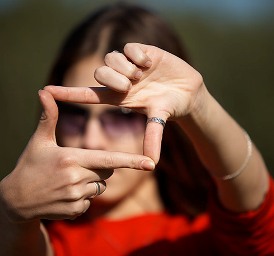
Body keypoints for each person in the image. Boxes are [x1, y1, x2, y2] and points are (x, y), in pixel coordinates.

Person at [1, 3, 274, 256]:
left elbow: (257, 216)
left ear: (171, 122)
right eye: (75, 114)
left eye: (122, 116)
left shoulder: (208, 236)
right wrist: (11, 214)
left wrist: (199, 104)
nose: (91, 139)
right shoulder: (42, 238)